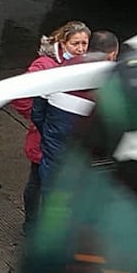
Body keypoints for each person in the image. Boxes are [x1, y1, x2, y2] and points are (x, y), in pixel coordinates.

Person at [9, 20, 89, 229]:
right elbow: (20, 95)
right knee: (37, 181)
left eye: (84, 44)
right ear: (63, 43)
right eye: (76, 44)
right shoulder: (44, 66)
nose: (80, 49)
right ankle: (32, 225)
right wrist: (38, 120)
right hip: (45, 136)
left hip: (62, 136)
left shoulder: (80, 65)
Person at [34, 30, 120, 187]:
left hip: (54, 157)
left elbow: (37, 113)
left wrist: (48, 135)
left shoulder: (60, 70)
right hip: (84, 167)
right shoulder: (112, 84)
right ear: (112, 54)